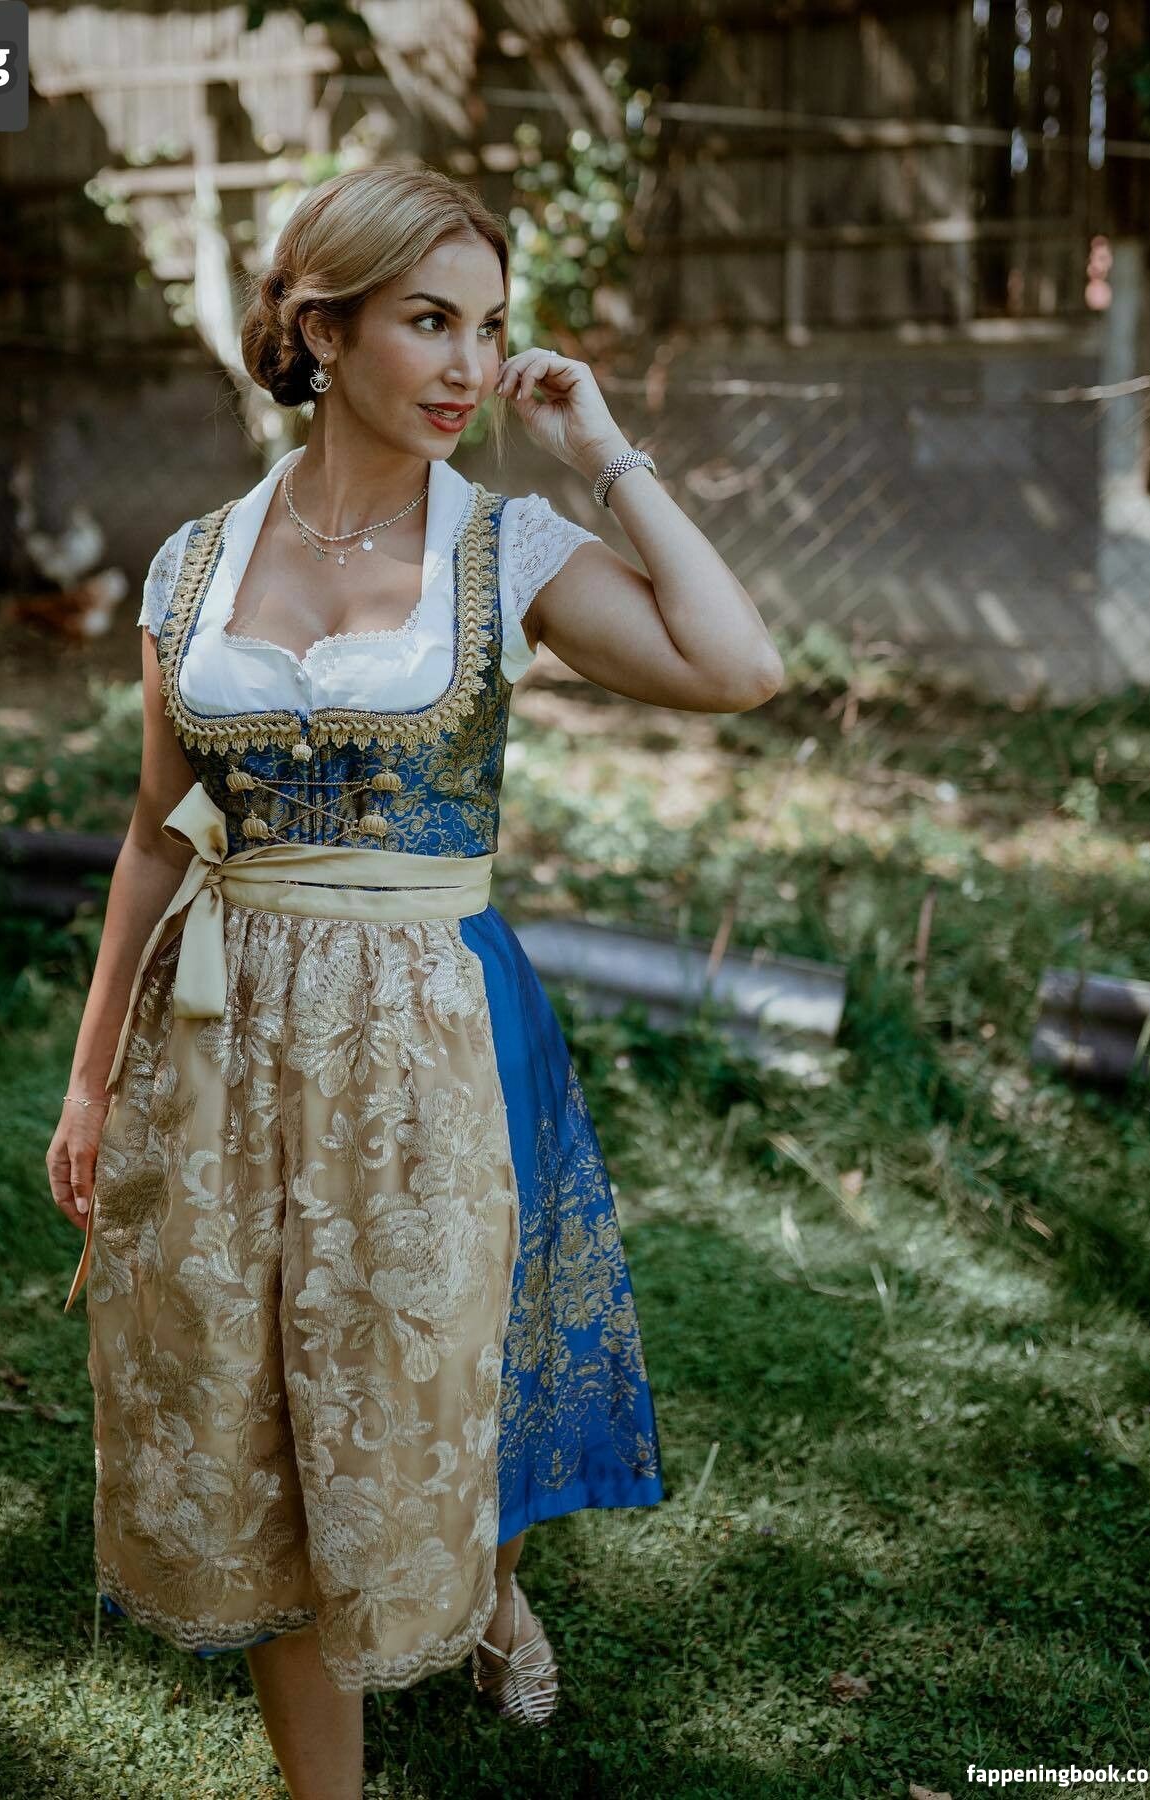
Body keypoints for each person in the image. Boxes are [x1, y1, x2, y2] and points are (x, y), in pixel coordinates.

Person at [45, 162, 783, 1800]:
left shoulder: (505, 549)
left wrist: (605, 454)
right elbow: (157, 837)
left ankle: (490, 1581)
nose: (470, 366)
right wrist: (91, 1081)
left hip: (431, 1028)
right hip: (222, 1034)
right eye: (429, 322)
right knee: (259, 1410)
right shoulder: (192, 565)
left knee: (427, 1375)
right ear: (324, 331)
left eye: (490, 328)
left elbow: (738, 667)